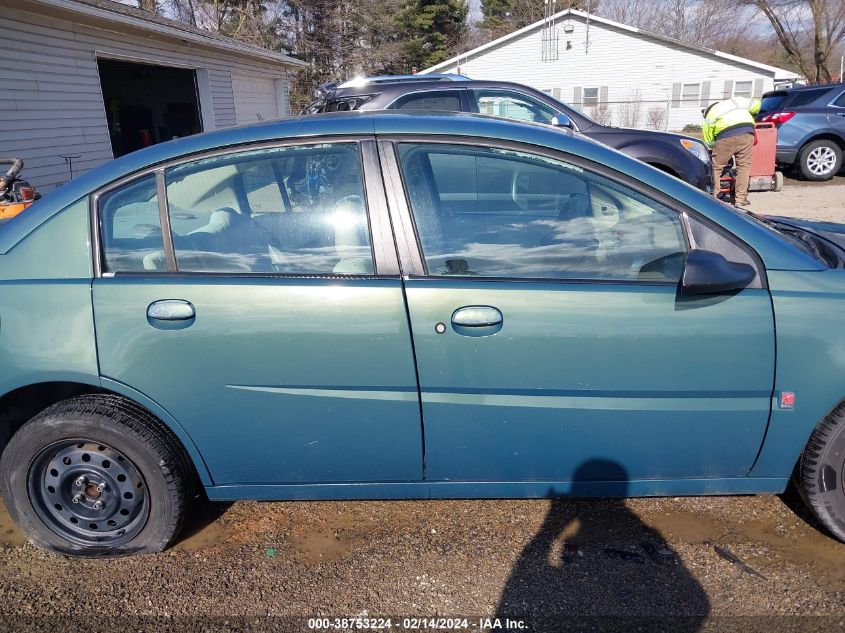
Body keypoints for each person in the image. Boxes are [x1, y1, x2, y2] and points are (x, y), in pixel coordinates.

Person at [702, 96, 761, 207]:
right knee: (743, 167)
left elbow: (709, 139)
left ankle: (714, 195)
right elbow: (757, 105)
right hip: (747, 133)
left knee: (716, 167)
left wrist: (714, 146)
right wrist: (752, 115)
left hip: (725, 136)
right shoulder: (736, 101)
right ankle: (740, 199)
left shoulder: (711, 113)